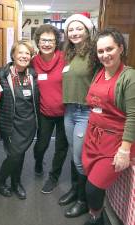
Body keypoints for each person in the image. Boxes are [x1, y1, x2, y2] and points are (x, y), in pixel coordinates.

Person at [82, 27, 135, 225]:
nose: (105, 55)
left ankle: (96, 217)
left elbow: (133, 115)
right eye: (101, 51)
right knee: (89, 179)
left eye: (110, 49)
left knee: (93, 187)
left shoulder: (129, 77)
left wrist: (125, 150)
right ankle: (98, 214)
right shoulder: (98, 73)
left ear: (121, 48)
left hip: (115, 143)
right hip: (94, 138)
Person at [59, 12, 96, 217]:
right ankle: (74, 191)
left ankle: (83, 200)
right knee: (74, 154)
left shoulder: (94, 54)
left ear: (87, 30)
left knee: (80, 158)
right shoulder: (70, 53)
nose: (74, 33)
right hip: (70, 110)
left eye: (78, 28)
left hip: (85, 112)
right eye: (70, 29)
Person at [0, 41, 39, 200]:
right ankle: (0, 181)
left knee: (19, 154)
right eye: (20, 52)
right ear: (13, 55)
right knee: (15, 155)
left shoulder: (33, 75)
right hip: (10, 123)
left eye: (27, 53)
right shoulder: (1, 74)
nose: (24, 56)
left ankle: (15, 183)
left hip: (28, 124)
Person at [32, 24, 68, 194]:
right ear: (38, 42)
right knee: (41, 145)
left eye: (51, 41)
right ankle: (38, 161)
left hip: (66, 113)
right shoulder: (32, 62)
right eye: (43, 40)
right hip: (44, 113)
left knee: (61, 147)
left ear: (56, 43)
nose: (47, 43)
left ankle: (53, 177)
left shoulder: (65, 58)